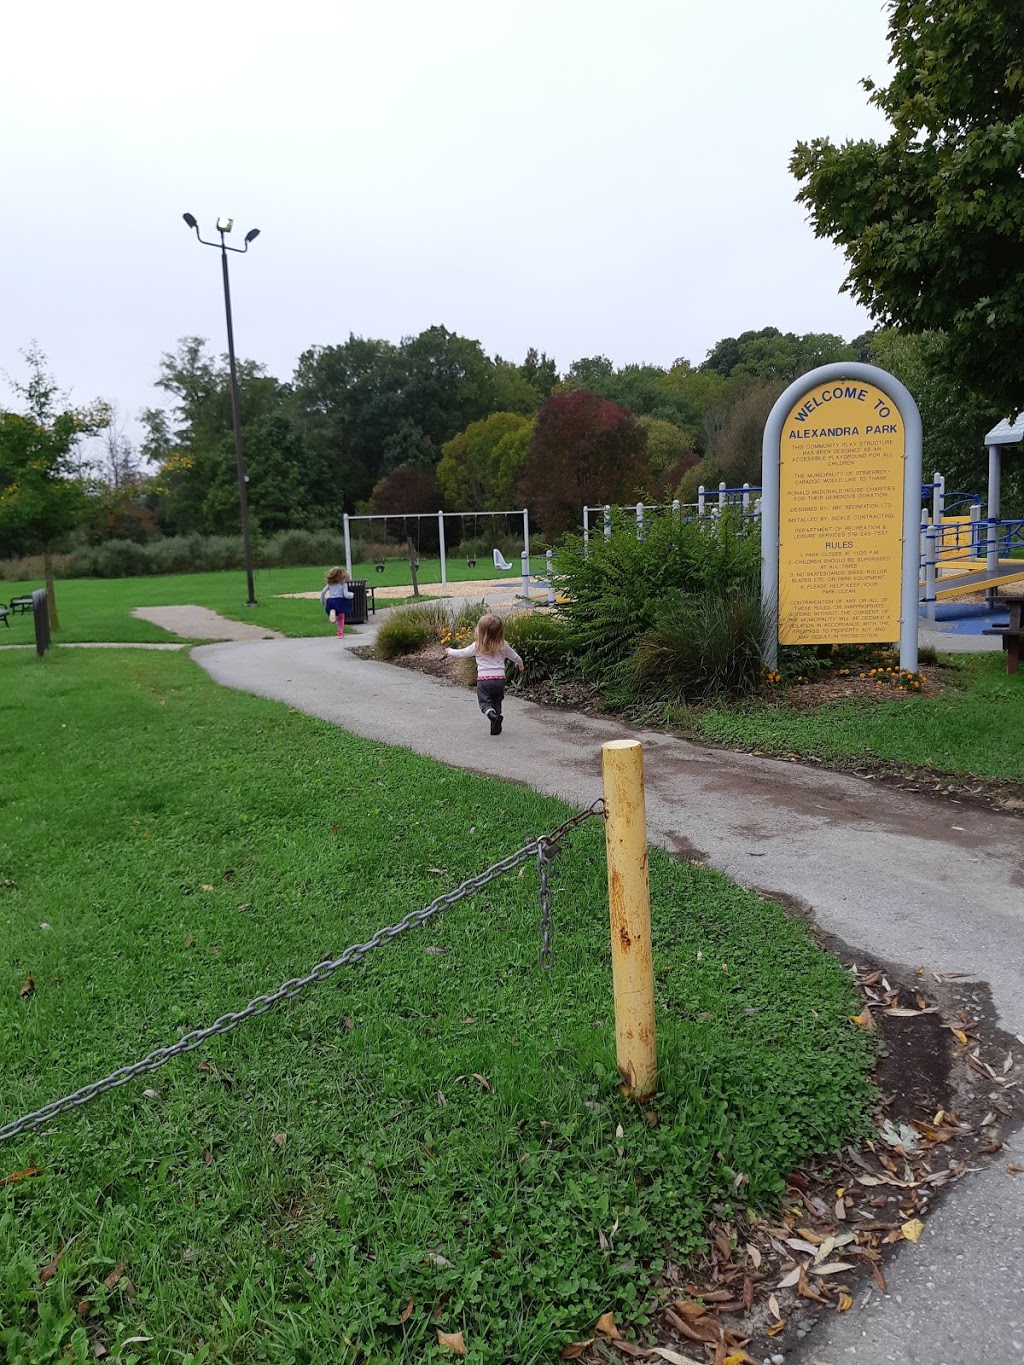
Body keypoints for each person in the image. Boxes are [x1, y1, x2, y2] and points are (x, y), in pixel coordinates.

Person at [446, 613, 523, 735]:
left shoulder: (477, 646)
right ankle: (496, 719)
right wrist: (519, 663)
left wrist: (449, 651)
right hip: (499, 679)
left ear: (480, 632)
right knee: (497, 700)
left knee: (484, 702)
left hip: (484, 680)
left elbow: (461, 653)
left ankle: (492, 716)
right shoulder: (503, 645)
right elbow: (514, 656)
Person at [320, 566, 354, 638]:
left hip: (331, 601)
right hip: (340, 602)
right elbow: (346, 595)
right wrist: (352, 595)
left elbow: (323, 592)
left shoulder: (330, 585)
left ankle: (332, 613)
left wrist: (323, 601)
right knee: (341, 617)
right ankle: (340, 633)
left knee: (333, 611)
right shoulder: (343, 585)